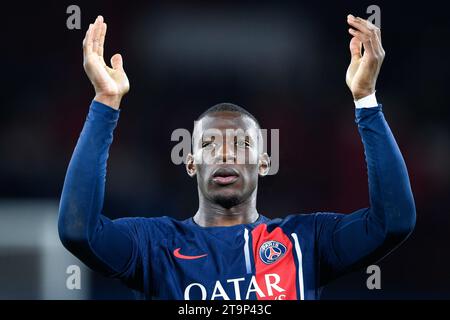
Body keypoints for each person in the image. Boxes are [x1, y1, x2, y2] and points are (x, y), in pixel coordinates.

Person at [58, 14, 416, 300]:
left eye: (242, 144)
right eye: (210, 143)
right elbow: (78, 231)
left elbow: (393, 223)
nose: (225, 152)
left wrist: (365, 99)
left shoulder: (306, 241)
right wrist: (105, 102)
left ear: (264, 161)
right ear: (190, 162)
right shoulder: (155, 245)